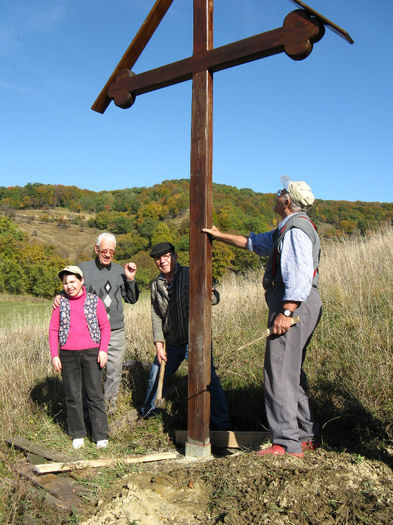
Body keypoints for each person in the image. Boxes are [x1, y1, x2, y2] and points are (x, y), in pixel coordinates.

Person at [202, 175, 322, 457]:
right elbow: (253, 243)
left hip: (294, 305)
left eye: (281, 191)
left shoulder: (294, 230)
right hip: (300, 304)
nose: (276, 194)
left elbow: (299, 274)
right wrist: (219, 236)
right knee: (291, 372)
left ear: (287, 201)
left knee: (279, 372)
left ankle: (286, 443)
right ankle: (306, 435)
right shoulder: (286, 229)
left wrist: (286, 311)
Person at [140, 242, 231, 430]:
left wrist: (210, 295)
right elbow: (156, 315)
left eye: (166, 256)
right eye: (158, 258)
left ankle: (221, 423)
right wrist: (158, 344)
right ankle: (149, 414)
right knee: (156, 374)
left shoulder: (191, 274)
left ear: (174, 257)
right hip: (171, 343)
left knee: (208, 378)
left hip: (195, 341)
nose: (162, 261)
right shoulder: (156, 285)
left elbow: (214, 299)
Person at [54, 232, 139, 413]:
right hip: (90, 333)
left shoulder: (120, 271)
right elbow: (71, 286)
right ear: (96, 249)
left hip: (115, 331)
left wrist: (130, 280)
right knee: (91, 374)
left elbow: (132, 299)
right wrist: (59, 296)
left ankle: (109, 408)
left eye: (112, 252)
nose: (108, 254)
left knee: (113, 372)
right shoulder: (83, 269)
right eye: (104, 250)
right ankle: (89, 410)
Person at [49, 266, 111, 449]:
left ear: (81, 281)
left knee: (94, 395)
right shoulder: (60, 304)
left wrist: (103, 350)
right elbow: (53, 330)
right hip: (67, 355)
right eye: (66, 283)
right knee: (72, 395)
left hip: (92, 352)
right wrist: (55, 355)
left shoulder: (94, 301)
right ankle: (77, 433)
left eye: (72, 281)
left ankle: (100, 434)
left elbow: (105, 327)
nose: (69, 286)